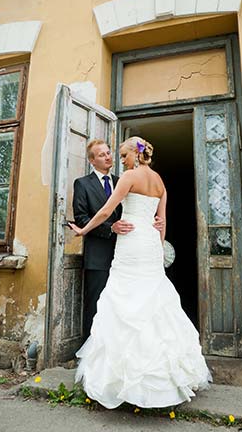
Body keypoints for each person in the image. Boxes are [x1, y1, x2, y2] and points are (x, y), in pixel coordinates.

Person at [69, 137, 212, 409]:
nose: (120, 161)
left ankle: (121, 379)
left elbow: (106, 211)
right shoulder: (159, 181)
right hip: (148, 245)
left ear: (134, 156)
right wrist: (157, 251)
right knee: (154, 299)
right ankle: (165, 375)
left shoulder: (129, 177)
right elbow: (162, 222)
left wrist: (83, 230)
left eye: (123, 156)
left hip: (132, 244)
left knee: (124, 298)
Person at [72, 139, 163, 340]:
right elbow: (82, 218)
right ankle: (92, 349)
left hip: (129, 252)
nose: (108, 157)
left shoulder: (125, 178)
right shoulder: (82, 184)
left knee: (127, 306)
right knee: (98, 303)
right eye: (102, 154)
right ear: (92, 161)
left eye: (108, 153)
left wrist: (154, 221)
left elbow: (137, 210)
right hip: (99, 254)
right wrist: (110, 228)